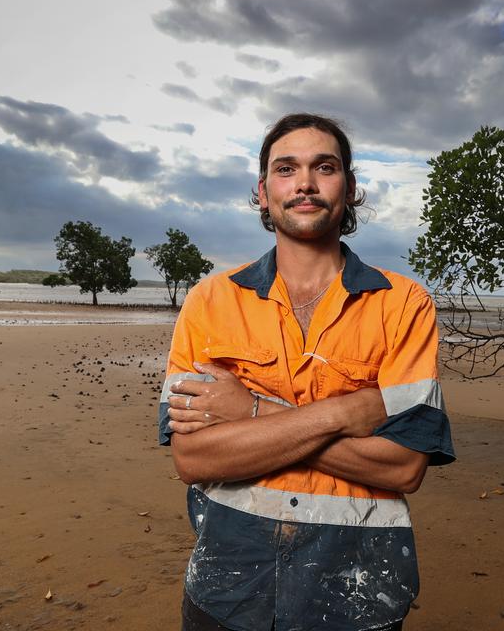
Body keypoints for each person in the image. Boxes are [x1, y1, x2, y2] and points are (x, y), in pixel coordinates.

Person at [158, 112, 454, 631]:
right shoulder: (210, 301)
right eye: (286, 169)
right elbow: (193, 456)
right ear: (262, 190)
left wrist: (250, 412)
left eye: (325, 167)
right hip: (229, 586)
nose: (306, 184)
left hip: (359, 591)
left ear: (351, 187)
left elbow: (403, 467)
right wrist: (347, 411)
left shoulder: (404, 304)